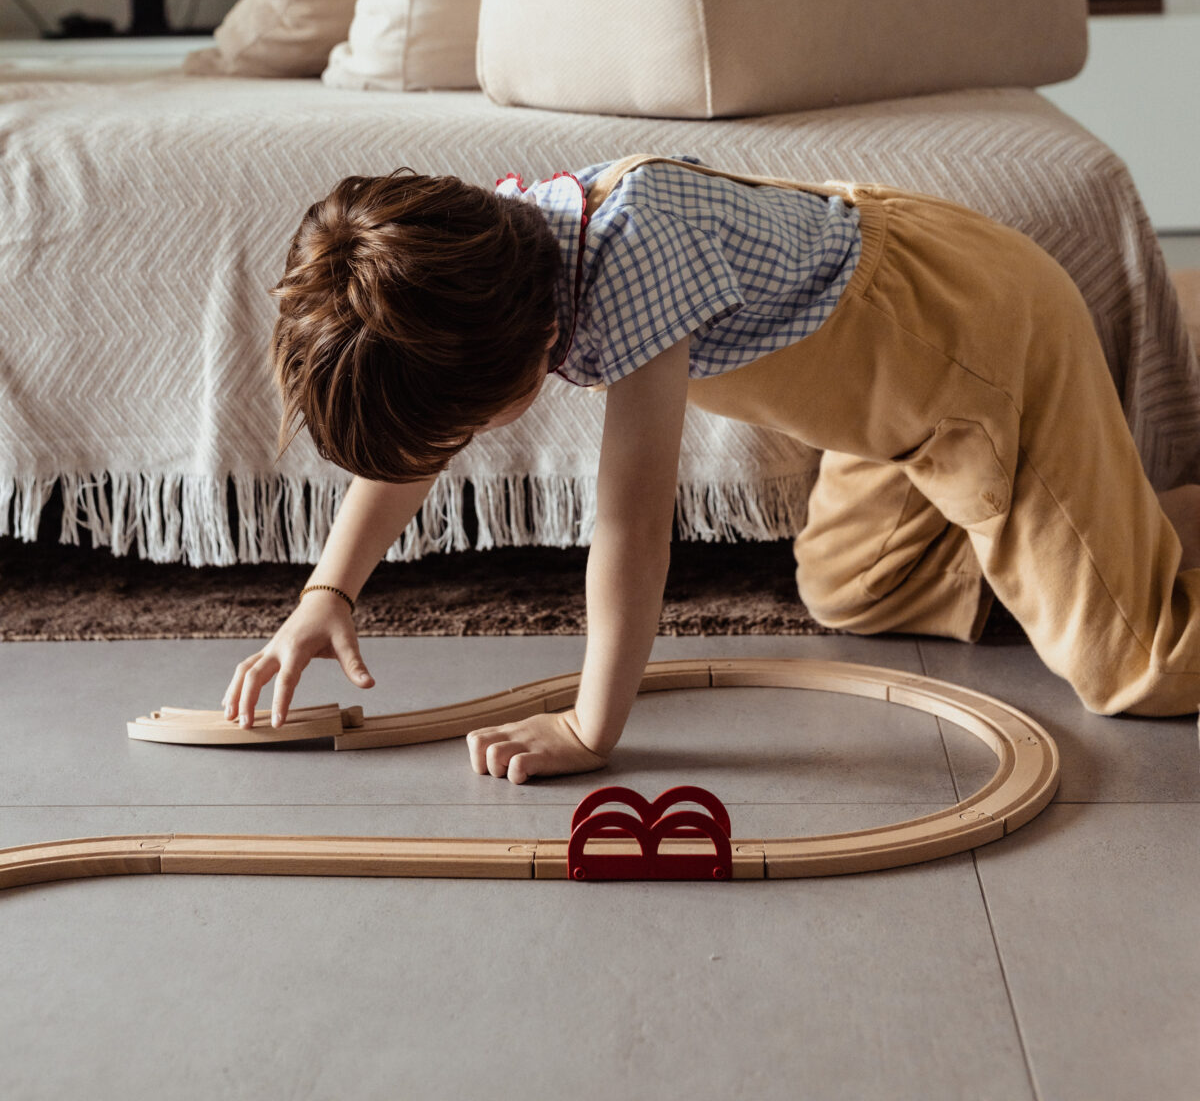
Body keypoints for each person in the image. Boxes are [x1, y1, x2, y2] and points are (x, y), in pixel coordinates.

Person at [222, 155, 1200, 780]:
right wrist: (329, 592)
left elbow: (635, 527)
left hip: (973, 353)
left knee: (1140, 668)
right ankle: (1114, 522)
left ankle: (1102, 543)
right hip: (891, 403)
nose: (467, 443)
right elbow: (413, 451)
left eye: (474, 425)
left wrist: (592, 727)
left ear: (540, 346)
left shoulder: (634, 260)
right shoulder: (494, 251)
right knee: (855, 589)